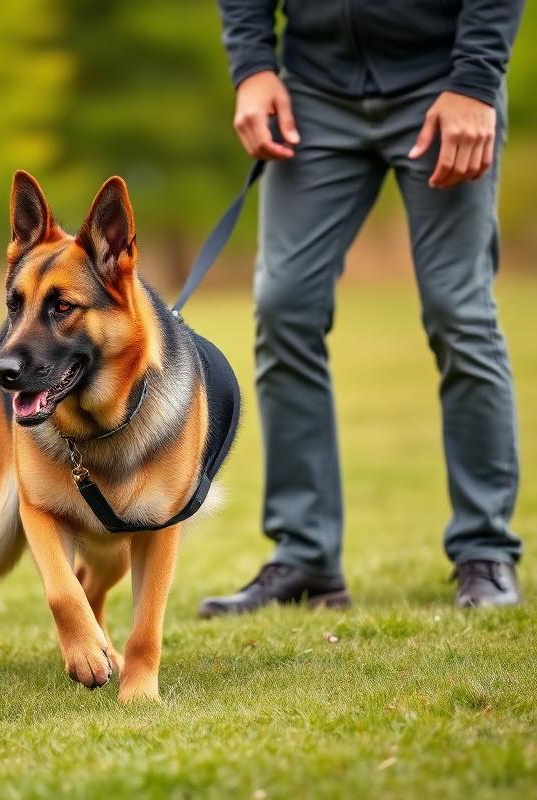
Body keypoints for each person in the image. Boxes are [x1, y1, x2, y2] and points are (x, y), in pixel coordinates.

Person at [199, 0, 525, 616]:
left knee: (458, 310)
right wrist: (252, 67)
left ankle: (486, 550)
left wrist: (477, 79)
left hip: (443, 84)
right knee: (283, 305)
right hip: (313, 92)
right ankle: (306, 556)